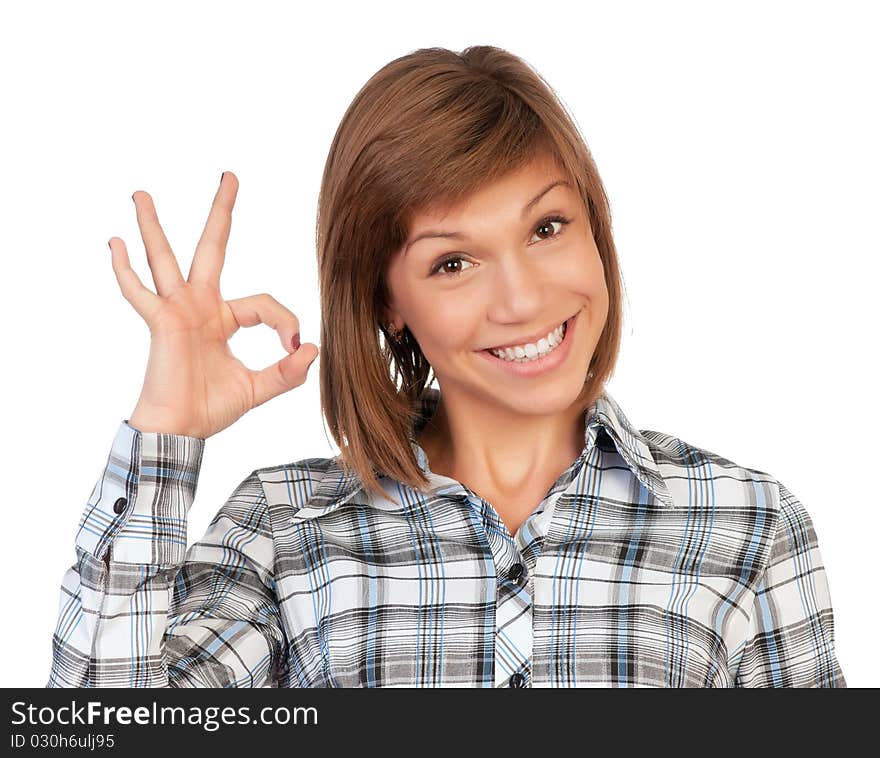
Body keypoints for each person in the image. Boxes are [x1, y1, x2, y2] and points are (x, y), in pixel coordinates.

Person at [46, 45, 846, 688]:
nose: (524, 299)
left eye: (547, 228)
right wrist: (165, 436)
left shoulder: (749, 525)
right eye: (453, 263)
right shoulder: (282, 532)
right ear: (386, 300)